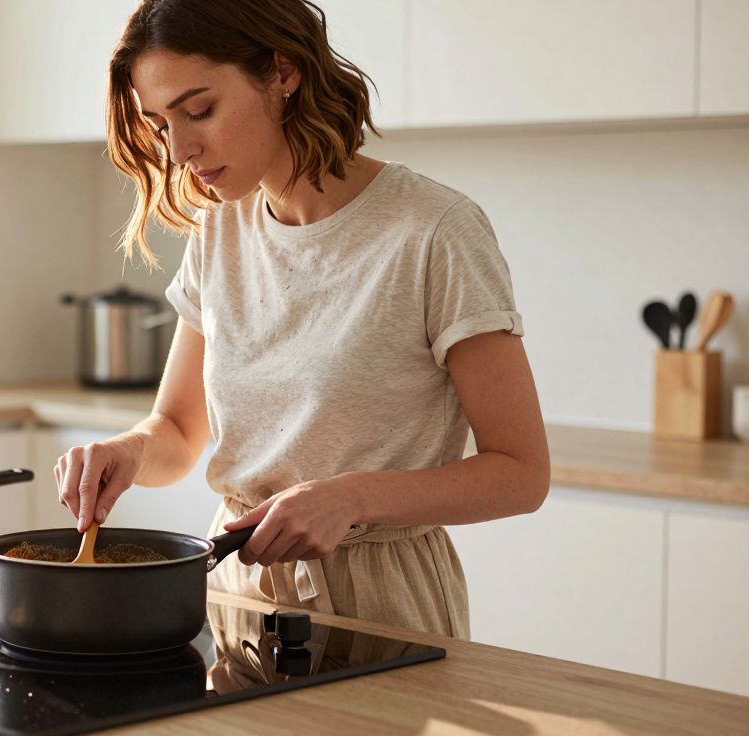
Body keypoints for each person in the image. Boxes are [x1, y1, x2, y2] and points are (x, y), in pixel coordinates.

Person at [52, 0, 551, 663]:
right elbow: (175, 433)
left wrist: (350, 498)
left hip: (383, 607)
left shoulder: (433, 231)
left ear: (282, 72)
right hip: (236, 594)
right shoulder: (218, 231)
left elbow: (521, 473)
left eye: (199, 111)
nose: (179, 150)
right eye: (160, 123)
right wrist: (128, 452)